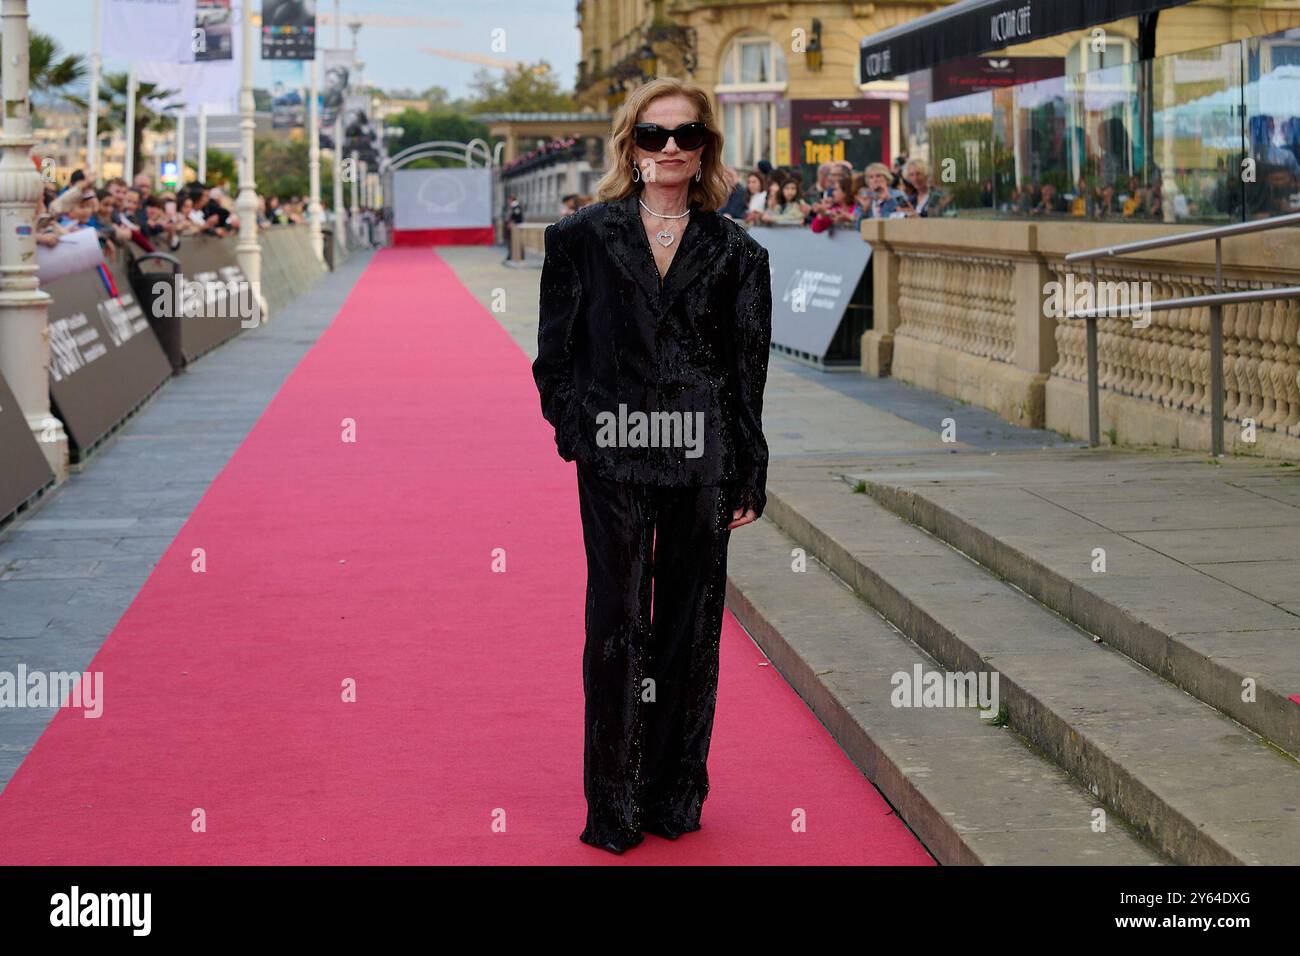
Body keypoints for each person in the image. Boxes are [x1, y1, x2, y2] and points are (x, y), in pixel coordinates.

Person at [531, 76, 772, 856]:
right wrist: (581, 436)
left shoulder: (740, 252)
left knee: (689, 630)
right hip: (615, 453)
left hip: (702, 458)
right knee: (616, 625)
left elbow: (747, 374)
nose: (669, 149)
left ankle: (674, 793)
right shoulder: (580, 238)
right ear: (629, 146)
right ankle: (614, 803)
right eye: (653, 135)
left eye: (685, 135)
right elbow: (554, 359)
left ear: (706, 149)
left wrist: (747, 469)